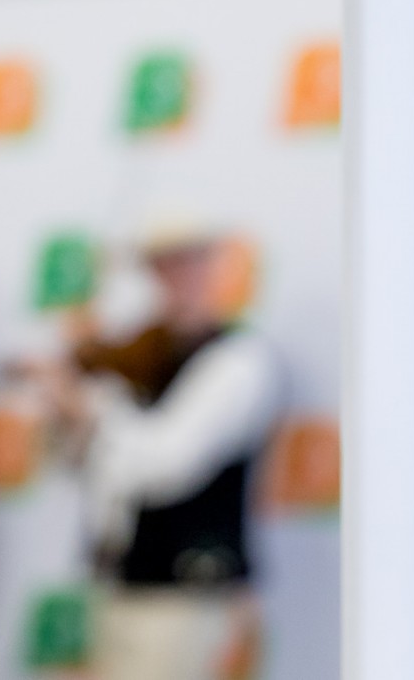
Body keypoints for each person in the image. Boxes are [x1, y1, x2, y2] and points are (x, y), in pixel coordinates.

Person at [45, 228, 283, 680]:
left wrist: (92, 414)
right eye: (162, 268)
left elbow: (167, 463)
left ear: (215, 268)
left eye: (187, 264)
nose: (175, 279)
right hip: (123, 585)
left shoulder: (239, 361)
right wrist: (70, 419)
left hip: (186, 597)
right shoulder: (146, 356)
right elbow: (96, 474)